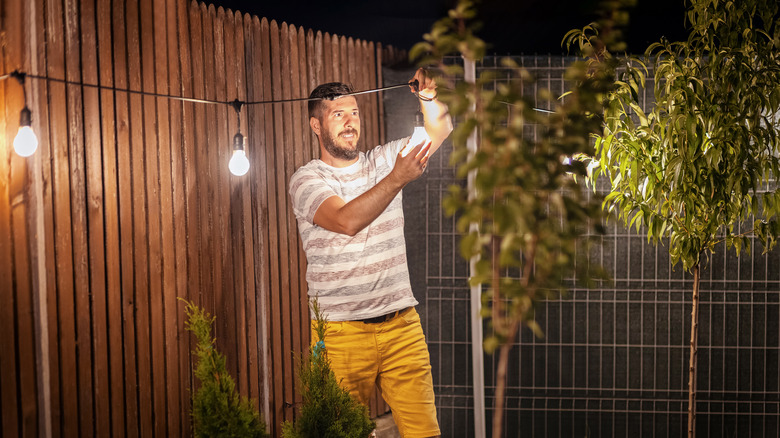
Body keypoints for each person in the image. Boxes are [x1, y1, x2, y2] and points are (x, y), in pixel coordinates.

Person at [288, 68, 452, 438]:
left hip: (402, 328)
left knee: (425, 433)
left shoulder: (384, 159)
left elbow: (440, 128)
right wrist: (397, 178)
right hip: (341, 333)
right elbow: (346, 220)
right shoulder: (307, 180)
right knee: (342, 432)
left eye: (355, 113)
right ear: (316, 126)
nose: (350, 123)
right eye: (338, 114)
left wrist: (429, 98)